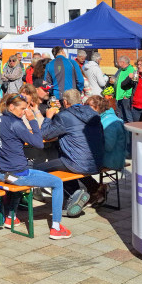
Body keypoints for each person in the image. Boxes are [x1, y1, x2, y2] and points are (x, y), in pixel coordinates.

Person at [0, 93, 71, 239]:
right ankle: (56, 227)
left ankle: (11, 217)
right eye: (22, 108)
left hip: (1, 172)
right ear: (11, 107)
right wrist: (32, 120)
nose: (24, 112)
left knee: (25, 172)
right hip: (17, 173)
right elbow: (39, 143)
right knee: (57, 182)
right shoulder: (16, 124)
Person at [38, 89, 105, 218]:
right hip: (97, 161)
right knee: (68, 161)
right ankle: (93, 190)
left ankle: (74, 195)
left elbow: (44, 134)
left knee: (39, 168)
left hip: (77, 162)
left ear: (65, 102)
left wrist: (48, 117)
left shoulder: (64, 116)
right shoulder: (94, 114)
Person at [86, 95, 126, 183]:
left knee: (75, 164)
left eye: (88, 107)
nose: (86, 109)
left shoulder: (109, 122)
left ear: (97, 107)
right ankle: (95, 188)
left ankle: (95, 188)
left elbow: (108, 146)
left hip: (112, 160)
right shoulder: (104, 118)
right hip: (111, 157)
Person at [113, 56, 135, 123]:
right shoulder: (121, 69)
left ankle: (131, 128)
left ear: (123, 62)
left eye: (119, 62)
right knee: (120, 115)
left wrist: (127, 95)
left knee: (128, 115)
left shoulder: (131, 70)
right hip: (119, 95)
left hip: (125, 96)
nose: (118, 63)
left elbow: (131, 84)